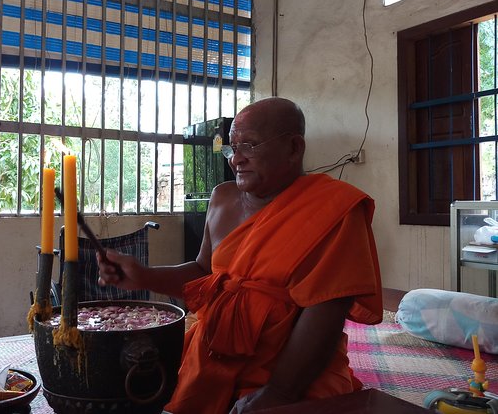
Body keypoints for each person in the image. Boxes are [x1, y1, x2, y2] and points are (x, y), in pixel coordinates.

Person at [97, 97, 383, 413]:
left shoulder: (332, 209)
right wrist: (144, 275)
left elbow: (326, 310)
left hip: (295, 369)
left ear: (293, 148)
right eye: (232, 148)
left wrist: (280, 392)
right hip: (213, 355)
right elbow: (205, 273)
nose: (236, 160)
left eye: (250, 146)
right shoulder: (222, 198)